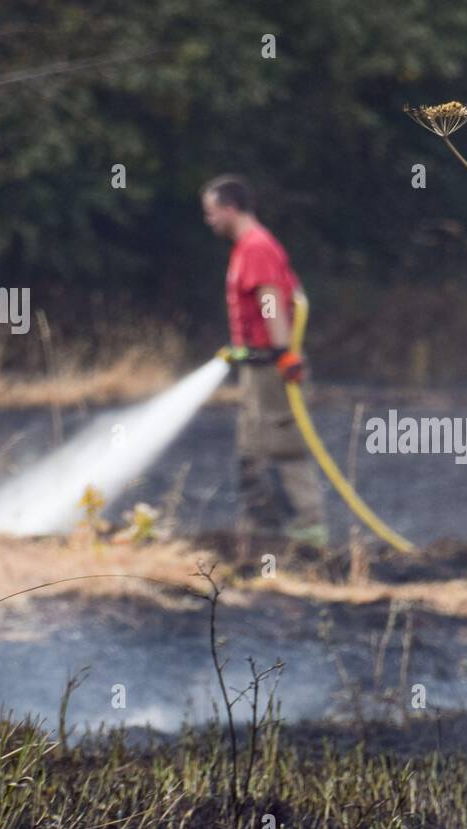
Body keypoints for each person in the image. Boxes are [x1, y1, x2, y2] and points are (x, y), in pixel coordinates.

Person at [202, 174, 327, 549]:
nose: (209, 221)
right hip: (257, 366)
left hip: (273, 366)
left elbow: (270, 300)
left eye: (210, 213)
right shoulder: (246, 247)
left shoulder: (256, 247)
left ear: (229, 208)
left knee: (284, 445)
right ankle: (262, 535)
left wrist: (282, 352)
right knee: (253, 450)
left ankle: (309, 534)